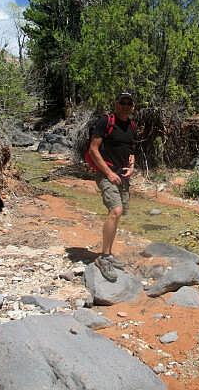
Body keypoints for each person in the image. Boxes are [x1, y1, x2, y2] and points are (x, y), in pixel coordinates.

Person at [88, 92, 136, 282]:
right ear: (116, 104)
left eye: (128, 103)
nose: (125, 105)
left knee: (119, 212)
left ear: (132, 106)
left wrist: (132, 167)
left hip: (123, 176)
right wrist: (108, 173)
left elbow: (131, 151)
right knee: (115, 210)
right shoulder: (105, 121)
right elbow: (93, 149)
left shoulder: (131, 125)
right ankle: (104, 257)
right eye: (122, 102)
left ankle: (108, 253)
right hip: (106, 173)